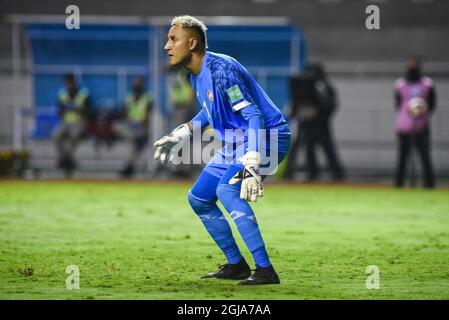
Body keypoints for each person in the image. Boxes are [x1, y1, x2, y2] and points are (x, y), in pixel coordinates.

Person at [154, 15, 291, 285]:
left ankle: (265, 270)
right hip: (237, 142)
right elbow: (209, 111)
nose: (166, 46)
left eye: (173, 39)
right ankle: (236, 265)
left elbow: (254, 116)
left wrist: (252, 158)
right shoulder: (194, 75)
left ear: (192, 43)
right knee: (199, 198)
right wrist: (181, 133)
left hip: (266, 136)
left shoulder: (221, 69)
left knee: (227, 190)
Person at [284, 63, 344, 181]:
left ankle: (337, 174)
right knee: (309, 149)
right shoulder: (303, 86)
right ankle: (312, 174)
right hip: (307, 123)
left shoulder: (323, 85)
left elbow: (330, 104)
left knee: (327, 148)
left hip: (321, 124)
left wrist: (321, 115)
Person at [394, 57, 436, 188]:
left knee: (425, 157)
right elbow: (398, 105)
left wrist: (421, 111)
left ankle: (429, 185)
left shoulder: (427, 83)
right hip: (404, 127)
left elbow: (432, 104)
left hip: (422, 126)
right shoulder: (400, 84)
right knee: (402, 158)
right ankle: (399, 184)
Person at [112, 77, 153, 178]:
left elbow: (148, 115)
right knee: (116, 126)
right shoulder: (129, 97)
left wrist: (140, 122)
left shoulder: (147, 98)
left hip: (142, 127)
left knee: (133, 144)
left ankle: (129, 167)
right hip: (131, 126)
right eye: (135, 85)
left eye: (139, 85)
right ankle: (134, 139)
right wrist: (130, 122)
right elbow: (125, 113)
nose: (137, 87)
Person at [52, 73, 90, 176]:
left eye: (72, 82)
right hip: (65, 122)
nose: (70, 84)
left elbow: (88, 111)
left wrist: (78, 109)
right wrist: (65, 109)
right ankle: (68, 160)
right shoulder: (62, 94)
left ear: (75, 82)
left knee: (74, 137)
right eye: (68, 82)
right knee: (55, 135)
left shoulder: (83, 93)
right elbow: (59, 111)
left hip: (78, 121)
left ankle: (65, 161)